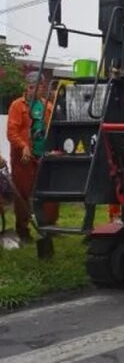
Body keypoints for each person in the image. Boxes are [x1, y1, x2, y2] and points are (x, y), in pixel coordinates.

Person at [6, 71, 58, 241]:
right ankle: (22, 229)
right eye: (30, 87)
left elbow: (53, 130)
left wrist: (55, 148)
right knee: (22, 193)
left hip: (44, 156)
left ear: (43, 87)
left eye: (38, 87)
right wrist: (23, 147)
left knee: (49, 191)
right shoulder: (17, 106)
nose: (33, 90)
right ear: (26, 87)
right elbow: (12, 132)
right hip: (23, 159)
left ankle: (49, 227)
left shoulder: (48, 106)